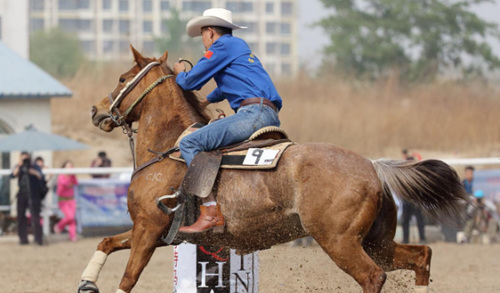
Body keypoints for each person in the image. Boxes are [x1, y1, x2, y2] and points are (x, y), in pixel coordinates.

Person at [170, 8, 282, 233]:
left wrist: (180, 72)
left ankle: (210, 211)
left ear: (210, 32)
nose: (203, 41)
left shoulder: (222, 46)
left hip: (253, 114)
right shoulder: (238, 48)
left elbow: (190, 82)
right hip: (265, 112)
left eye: (203, 34)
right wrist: (207, 102)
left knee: (189, 143)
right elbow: (227, 84)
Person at [10, 152, 44, 245]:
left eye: (26, 159)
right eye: (23, 159)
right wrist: (19, 166)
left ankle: (38, 239)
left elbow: (41, 176)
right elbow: (12, 175)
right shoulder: (19, 166)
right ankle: (23, 239)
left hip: (33, 194)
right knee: (21, 216)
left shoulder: (34, 166)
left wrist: (32, 171)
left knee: (35, 216)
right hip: (22, 193)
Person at [400, 149, 427, 244]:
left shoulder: (418, 175)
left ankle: (422, 238)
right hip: (406, 201)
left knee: (420, 220)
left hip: (416, 201)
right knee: (405, 221)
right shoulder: (403, 175)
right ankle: (405, 239)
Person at [54, 160, 78, 242]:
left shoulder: (72, 176)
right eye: (68, 166)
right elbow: (66, 184)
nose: (70, 168)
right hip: (63, 200)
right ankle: (59, 226)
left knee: (72, 219)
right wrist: (70, 176)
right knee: (69, 217)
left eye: (71, 166)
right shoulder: (61, 176)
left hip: (71, 199)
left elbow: (76, 183)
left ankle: (73, 236)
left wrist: (73, 176)